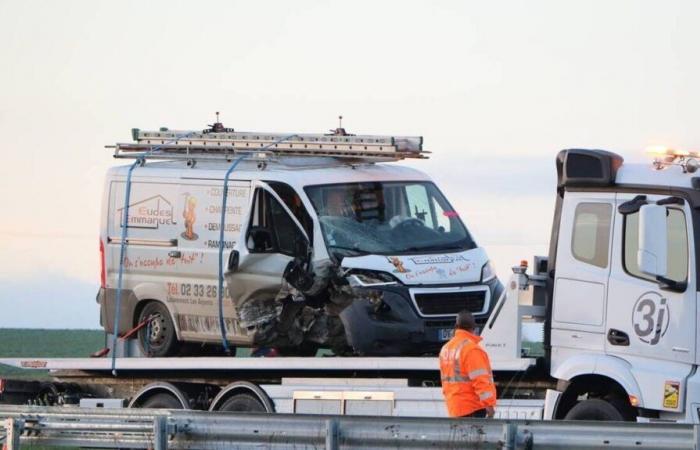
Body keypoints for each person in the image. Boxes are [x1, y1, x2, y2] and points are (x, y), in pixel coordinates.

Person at [439, 310, 497, 418]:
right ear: (474, 327)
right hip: (472, 407)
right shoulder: (471, 349)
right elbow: (480, 380)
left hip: (454, 407)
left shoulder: (445, 348)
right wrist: (489, 406)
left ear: (456, 326)